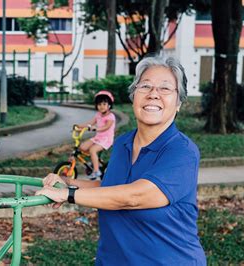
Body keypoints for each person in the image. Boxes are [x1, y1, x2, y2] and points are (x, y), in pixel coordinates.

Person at [36, 56, 207, 265]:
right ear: (134, 96)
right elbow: (109, 188)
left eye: (165, 89)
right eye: (145, 86)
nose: (153, 94)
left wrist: (68, 195)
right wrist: (69, 182)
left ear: (178, 103)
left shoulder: (182, 152)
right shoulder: (123, 143)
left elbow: (134, 196)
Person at [74, 90, 116, 180]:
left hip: (106, 139)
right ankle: (94, 162)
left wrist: (95, 128)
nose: (101, 106)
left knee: (92, 150)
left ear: (109, 105)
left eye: (104, 104)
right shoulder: (98, 115)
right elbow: (90, 123)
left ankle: (96, 171)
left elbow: (106, 127)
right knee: (82, 147)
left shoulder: (110, 117)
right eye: (99, 104)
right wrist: (79, 126)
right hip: (98, 137)